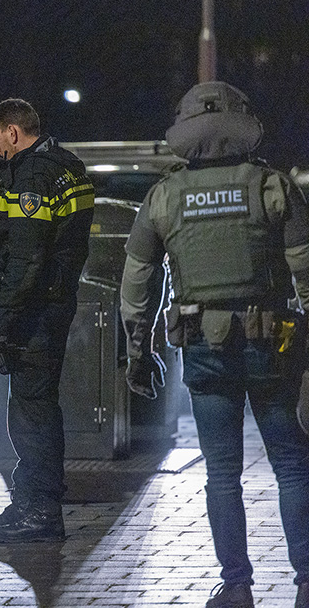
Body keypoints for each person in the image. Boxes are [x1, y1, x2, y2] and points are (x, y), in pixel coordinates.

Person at [120, 81, 309, 608]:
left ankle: (238, 587)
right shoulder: (272, 185)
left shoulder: (164, 194)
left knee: (222, 471)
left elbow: (138, 280)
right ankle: (307, 582)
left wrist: (140, 348)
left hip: (203, 345)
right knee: (292, 465)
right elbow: (305, 266)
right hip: (273, 344)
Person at [0, 98, 95, 543]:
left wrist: (2, 321)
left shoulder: (33, 176)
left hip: (35, 312)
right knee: (32, 407)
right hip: (50, 303)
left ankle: (41, 510)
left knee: (33, 412)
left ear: (12, 130)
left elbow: (27, 258)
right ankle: (29, 502)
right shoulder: (65, 166)